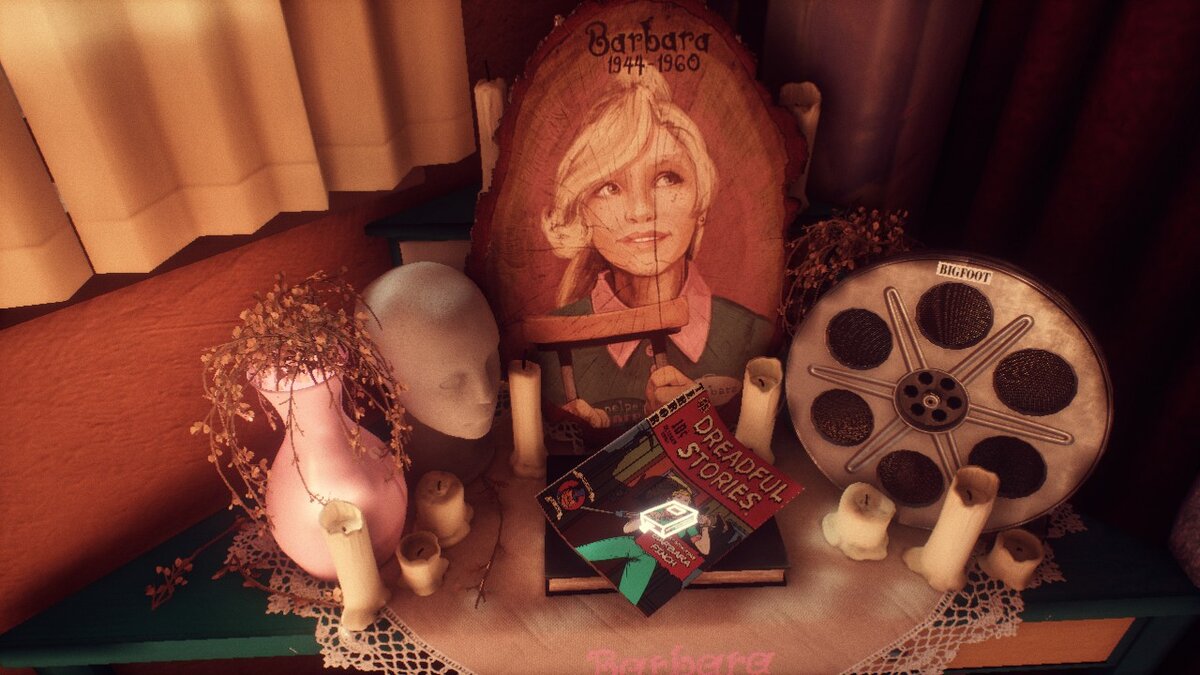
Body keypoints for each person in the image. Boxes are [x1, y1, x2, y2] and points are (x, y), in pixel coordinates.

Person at [538, 68, 773, 429]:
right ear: (582, 212)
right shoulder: (546, 350)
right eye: (609, 187)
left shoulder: (753, 338)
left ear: (701, 201)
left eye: (666, 178)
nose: (642, 210)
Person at [575, 485, 713, 606]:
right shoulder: (657, 511)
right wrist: (646, 518)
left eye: (686, 500)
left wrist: (705, 527)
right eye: (679, 498)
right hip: (632, 544)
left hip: (649, 559)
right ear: (669, 500)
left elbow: (705, 550)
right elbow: (627, 529)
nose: (682, 502)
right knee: (582, 553)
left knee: (627, 598)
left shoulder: (687, 523)